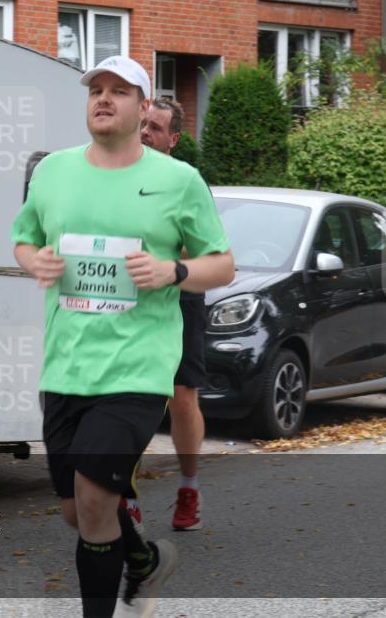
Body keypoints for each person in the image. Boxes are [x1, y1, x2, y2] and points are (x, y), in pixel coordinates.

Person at [11, 56, 233, 618]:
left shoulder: (177, 181)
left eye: (119, 91)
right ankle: (144, 560)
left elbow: (223, 265)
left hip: (139, 366)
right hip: (66, 364)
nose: (103, 99)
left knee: (93, 498)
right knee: (77, 511)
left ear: (142, 108)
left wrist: (173, 272)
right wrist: (32, 260)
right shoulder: (53, 171)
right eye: (96, 90)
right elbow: (24, 239)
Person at [140, 97, 206, 531]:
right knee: (131, 395)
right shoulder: (116, 173)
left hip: (180, 294)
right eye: (143, 124)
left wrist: (161, 257)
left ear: (174, 139)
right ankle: (122, 494)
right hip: (131, 295)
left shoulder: (185, 182)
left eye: (156, 128)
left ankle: (189, 487)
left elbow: (204, 252)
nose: (146, 132)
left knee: (181, 397)